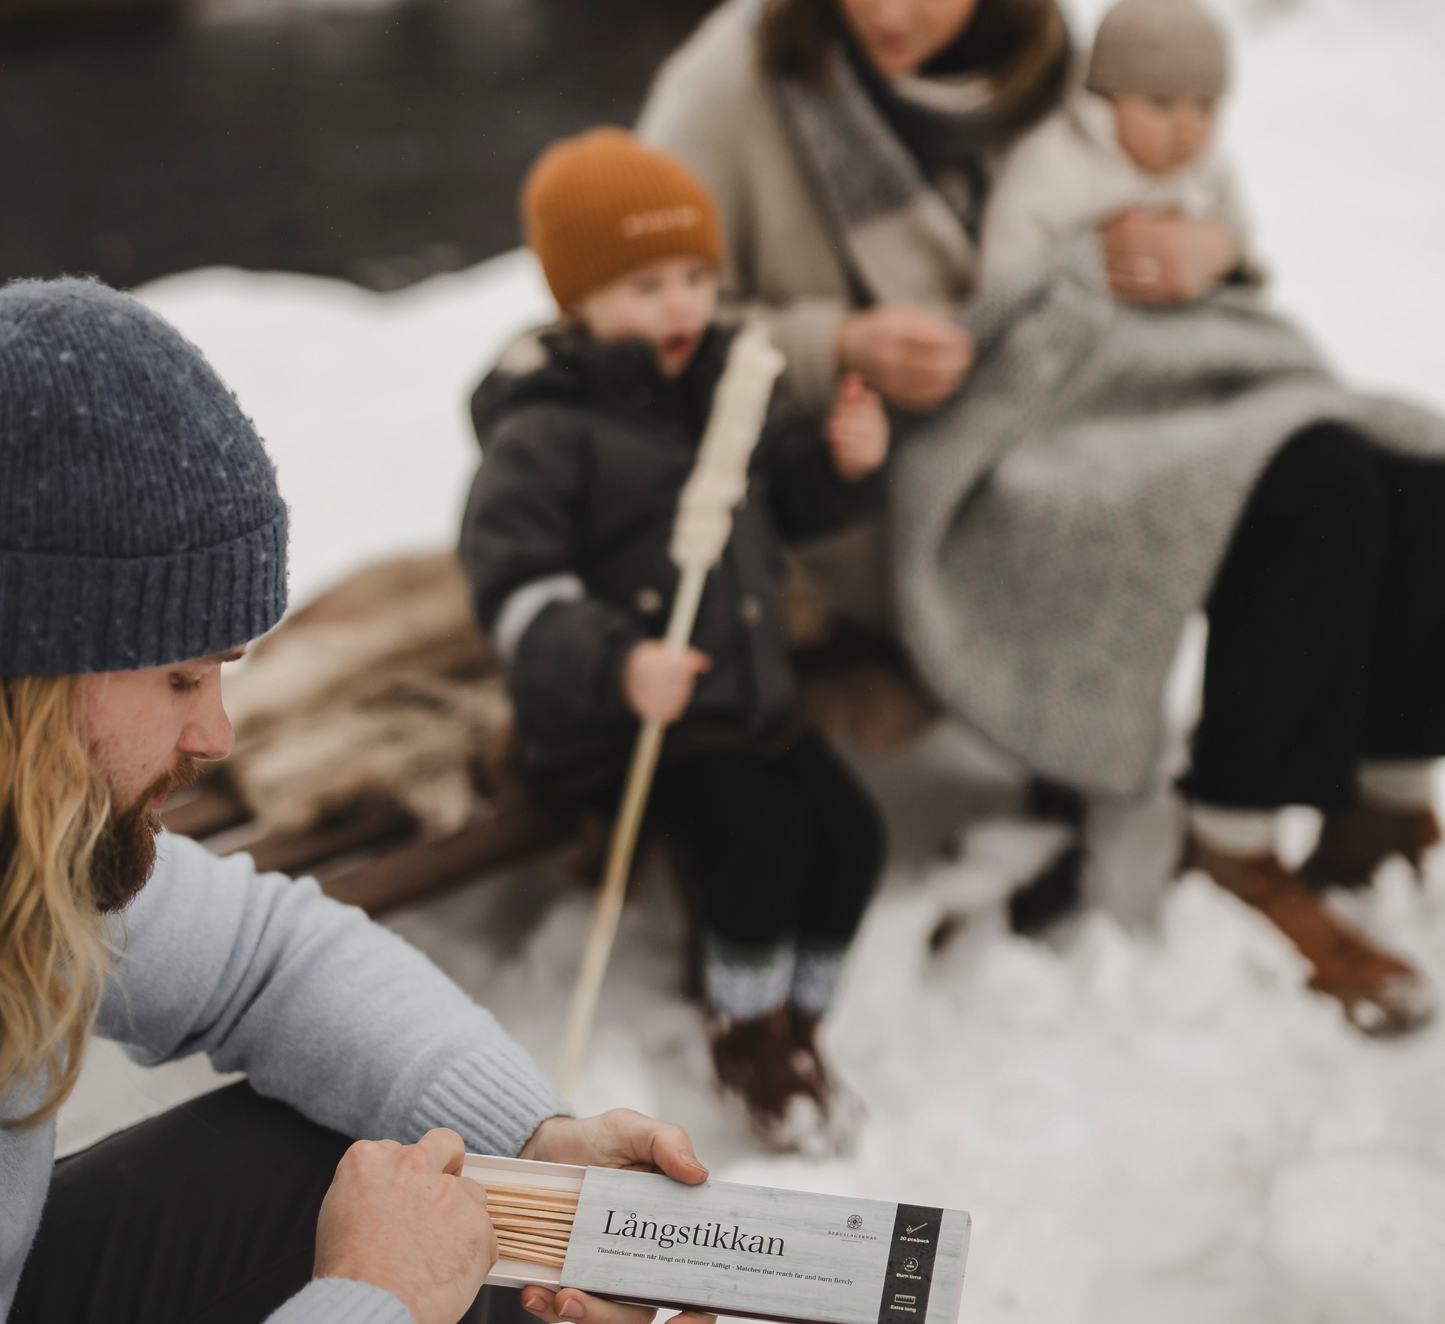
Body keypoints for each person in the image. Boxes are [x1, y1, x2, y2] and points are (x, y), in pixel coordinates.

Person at [0, 277, 718, 1324]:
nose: (216, 734)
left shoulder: (30, 843)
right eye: (180, 677)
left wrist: (534, 1148)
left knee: (400, 1162)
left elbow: (267, 959)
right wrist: (374, 1306)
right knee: (395, 1240)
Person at [640, 0, 1445, 1036]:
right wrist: (834, 342)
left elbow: (1142, 181)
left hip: (1078, 409)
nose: (893, 14)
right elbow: (627, 317)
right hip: (880, 473)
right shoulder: (733, 90)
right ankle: (1230, 839)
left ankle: (1377, 804)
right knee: (1305, 481)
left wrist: (1209, 258)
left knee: (1410, 465)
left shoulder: (1031, 58)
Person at [458, 128, 888, 1147]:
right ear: (579, 301)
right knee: (761, 835)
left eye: (695, 276)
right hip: (622, 722)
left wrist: (839, 466)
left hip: (746, 694)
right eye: (646, 285)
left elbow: (781, 497)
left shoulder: (726, 391)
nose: (682, 304)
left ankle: (800, 1011)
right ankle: (744, 1026)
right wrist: (617, 662)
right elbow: (514, 588)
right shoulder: (545, 431)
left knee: (850, 833)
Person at [981, 0, 1249, 291]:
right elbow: (1009, 252)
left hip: (1184, 314)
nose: (1186, 127)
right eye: (1161, 103)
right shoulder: (1058, 164)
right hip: (1070, 313)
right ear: (1106, 102)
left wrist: (1223, 250)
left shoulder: (1208, 169)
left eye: (1204, 105)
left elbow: (1237, 231)